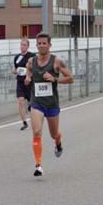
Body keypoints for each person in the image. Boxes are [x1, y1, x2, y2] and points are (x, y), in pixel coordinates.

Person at [24, 32, 74, 177]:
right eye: (39, 43)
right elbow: (28, 71)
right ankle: (38, 165)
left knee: (54, 134)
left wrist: (55, 79)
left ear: (49, 45)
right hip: (36, 103)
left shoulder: (57, 61)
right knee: (37, 131)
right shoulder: (31, 61)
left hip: (52, 104)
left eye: (44, 43)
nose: (41, 46)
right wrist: (28, 78)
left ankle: (58, 142)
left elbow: (71, 78)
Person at [12, 38, 35, 130]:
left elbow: (35, 69)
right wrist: (15, 71)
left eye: (24, 45)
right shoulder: (17, 57)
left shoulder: (32, 56)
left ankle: (34, 119)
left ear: (28, 46)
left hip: (30, 82)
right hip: (20, 82)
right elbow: (15, 69)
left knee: (32, 104)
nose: (22, 46)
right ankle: (24, 122)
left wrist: (29, 75)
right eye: (21, 45)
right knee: (20, 101)